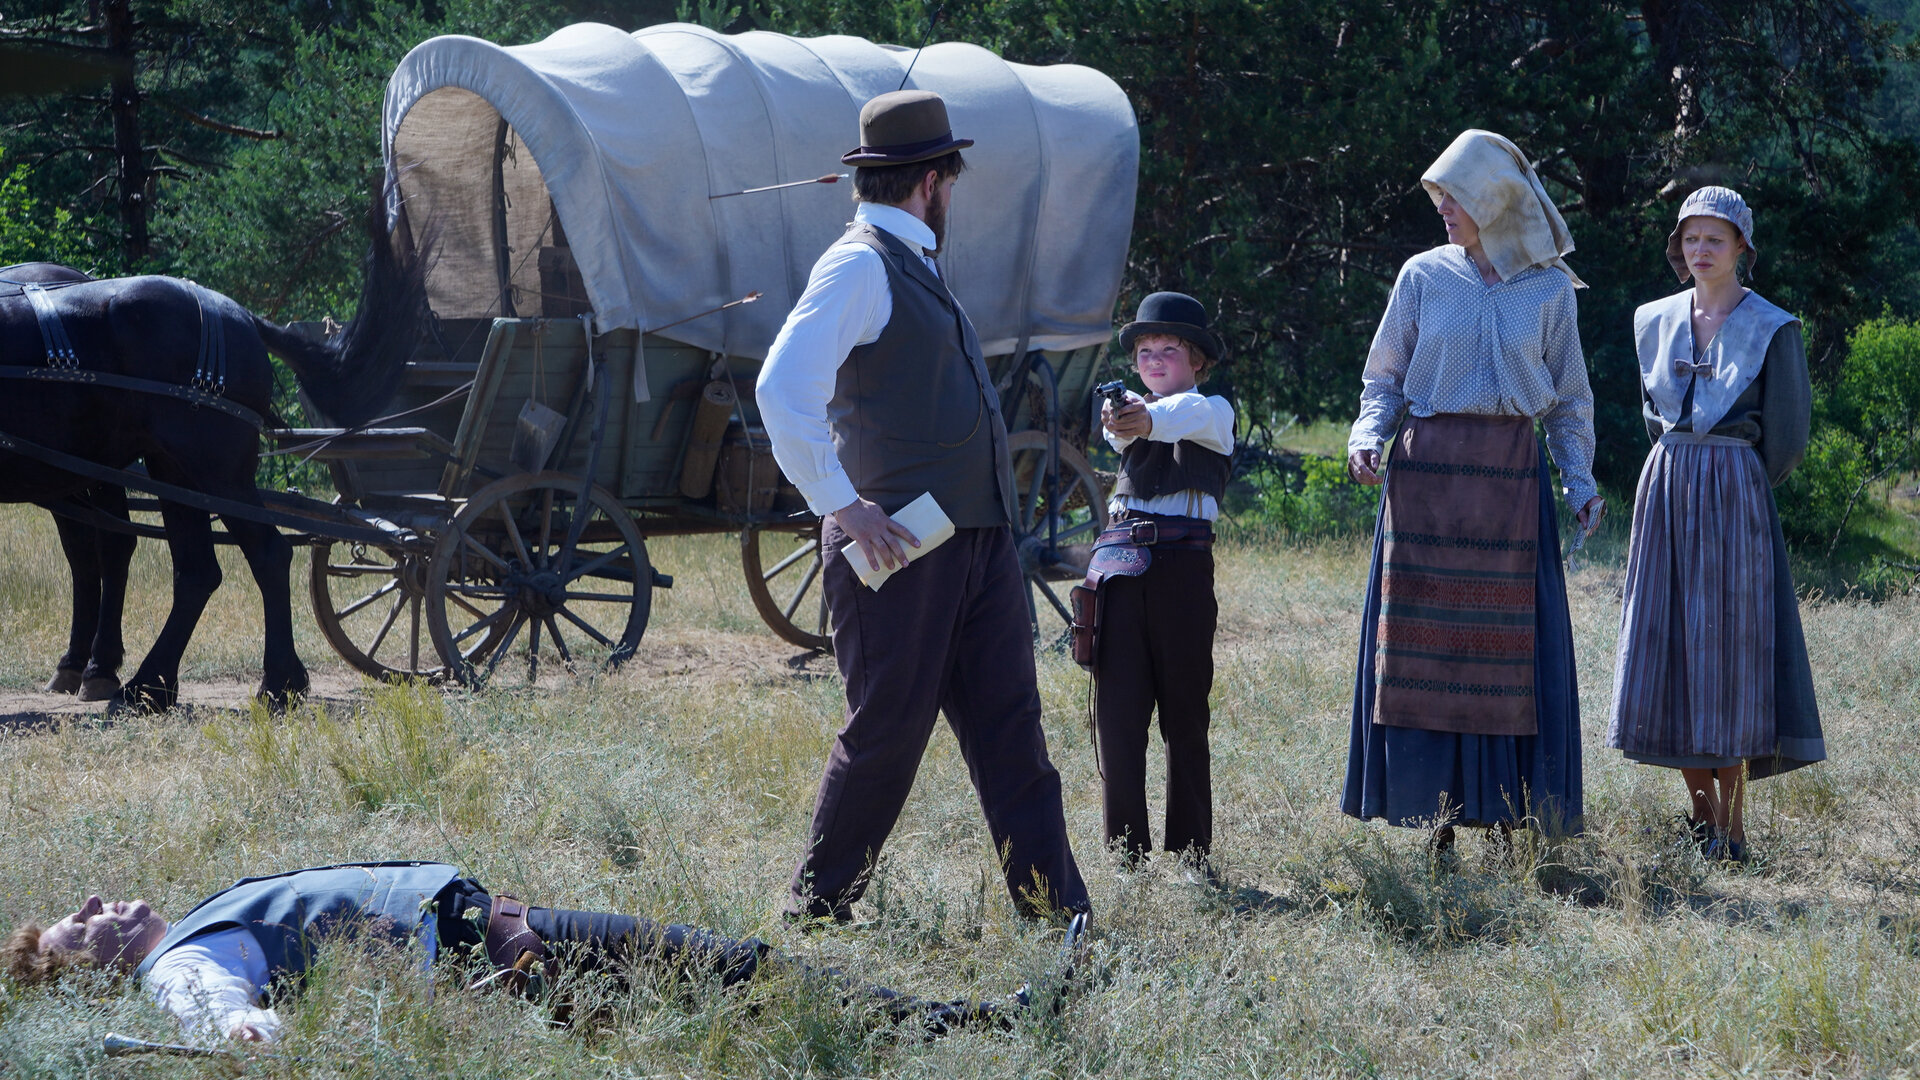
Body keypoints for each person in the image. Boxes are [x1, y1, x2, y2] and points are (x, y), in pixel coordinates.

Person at [756, 90, 1089, 922]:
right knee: (886, 736)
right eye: (950, 181)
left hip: (976, 546)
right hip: (901, 551)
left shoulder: (912, 261)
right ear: (934, 182)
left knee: (1014, 735)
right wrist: (842, 505)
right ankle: (817, 910)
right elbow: (781, 387)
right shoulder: (861, 262)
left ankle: (1058, 919)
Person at [1, 861, 1012, 1045]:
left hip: (502, 943)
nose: (96, 903)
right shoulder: (174, 960)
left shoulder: (197, 922)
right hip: (505, 952)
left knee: (733, 986)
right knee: (736, 970)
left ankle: (929, 1027)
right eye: (73, 923)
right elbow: (209, 1003)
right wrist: (243, 1029)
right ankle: (968, 1027)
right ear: (89, 966)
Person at [1341, 129, 1601, 842]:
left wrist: (1578, 480)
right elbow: (1384, 377)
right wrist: (1368, 436)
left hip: (1510, 490)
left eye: (1455, 195)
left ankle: (1507, 820)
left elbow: (1570, 400)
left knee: (1505, 658)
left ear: (1496, 200)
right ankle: (1434, 820)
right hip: (1424, 482)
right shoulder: (1423, 275)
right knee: (1422, 656)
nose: (1444, 208)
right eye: (1441, 195)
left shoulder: (1548, 289)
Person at [1605, 186, 1824, 863]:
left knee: (1727, 658)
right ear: (1679, 247)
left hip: (1734, 497)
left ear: (1741, 250)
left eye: (1715, 240)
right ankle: (1702, 821)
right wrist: (1683, 466)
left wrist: (1732, 482)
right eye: (1691, 239)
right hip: (1667, 490)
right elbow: (1651, 416)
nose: (1701, 251)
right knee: (1668, 652)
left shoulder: (1771, 326)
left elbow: (1786, 438)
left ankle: (1733, 829)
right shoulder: (1653, 320)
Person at [1091, 292, 1234, 870]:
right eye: (1144, 350)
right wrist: (1122, 413)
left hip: (1181, 573)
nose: (1153, 359)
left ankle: (1191, 853)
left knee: (1184, 714)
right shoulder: (1129, 418)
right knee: (1118, 715)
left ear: (1197, 361)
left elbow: (1178, 416)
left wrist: (1141, 415)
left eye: (1169, 350)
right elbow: (1123, 432)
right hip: (1122, 572)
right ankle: (1125, 853)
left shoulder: (1213, 410)